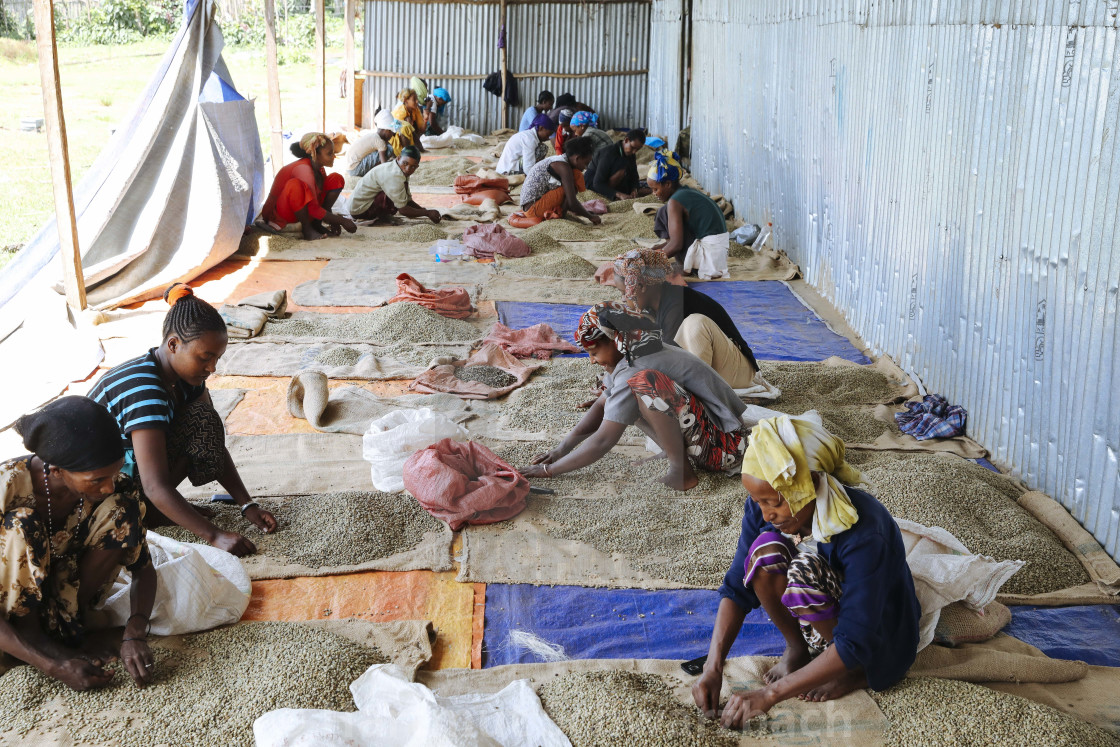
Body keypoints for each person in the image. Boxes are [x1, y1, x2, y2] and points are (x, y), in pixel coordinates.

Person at [692, 414, 921, 729]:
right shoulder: (765, 508)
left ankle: (852, 671)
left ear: (809, 485)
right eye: (757, 501)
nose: (765, 513)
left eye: (773, 502)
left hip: (874, 635)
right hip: (820, 611)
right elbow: (737, 587)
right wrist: (712, 667)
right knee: (764, 551)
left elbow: (857, 636)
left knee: (802, 570)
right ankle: (799, 648)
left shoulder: (865, 530)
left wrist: (770, 694)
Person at [89, 285, 278, 558]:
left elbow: (209, 435)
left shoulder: (185, 379)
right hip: (100, 493)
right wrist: (214, 536)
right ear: (174, 345)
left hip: (131, 471)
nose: (212, 368)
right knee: (155, 490)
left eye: (217, 358)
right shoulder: (145, 390)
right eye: (205, 357)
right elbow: (155, 485)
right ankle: (147, 510)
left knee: (205, 420)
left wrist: (247, 504)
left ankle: (155, 508)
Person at [2, 397, 157, 691]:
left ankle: (69, 629)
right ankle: (34, 642)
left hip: (65, 608)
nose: (108, 485)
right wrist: (53, 666)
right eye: (96, 479)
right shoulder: (6, 488)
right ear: (56, 470)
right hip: (10, 618)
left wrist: (135, 633)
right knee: (21, 525)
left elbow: (144, 569)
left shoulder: (113, 489)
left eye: (113, 472)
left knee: (122, 505)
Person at [519, 302, 748, 491]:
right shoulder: (635, 350)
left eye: (594, 352)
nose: (592, 360)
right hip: (709, 437)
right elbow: (601, 406)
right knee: (620, 394)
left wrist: (549, 471)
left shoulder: (634, 368)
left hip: (726, 448)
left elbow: (603, 440)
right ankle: (673, 453)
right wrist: (560, 450)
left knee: (644, 385)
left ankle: (682, 472)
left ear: (614, 341)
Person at [612, 248, 773, 392]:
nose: (623, 299)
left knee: (695, 323)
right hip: (716, 369)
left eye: (623, 292)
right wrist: (615, 388)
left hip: (740, 374)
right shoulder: (652, 307)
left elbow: (662, 357)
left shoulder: (677, 302)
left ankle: (692, 394)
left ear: (641, 286)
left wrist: (629, 386)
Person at [258, 132, 357, 241]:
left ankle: (316, 224)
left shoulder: (319, 168)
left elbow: (315, 201)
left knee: (336, 179)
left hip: (300, 210)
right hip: (278, 214)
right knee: (294, 185)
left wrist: (333, 219)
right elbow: (313, 208)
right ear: (315, 154)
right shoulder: (303, 169)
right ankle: (307, 229)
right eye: (329, 153)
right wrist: (341, 221)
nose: (334, 156)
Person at [647, 151, 729, 265]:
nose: (653, 194)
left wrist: (649, 262)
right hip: (719, 256)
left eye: (655, 189)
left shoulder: (674, 202)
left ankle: (684, 265)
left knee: (666, 213)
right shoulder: (686, 192)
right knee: (663, 212)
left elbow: (676, 245)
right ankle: (684, 261)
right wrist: (653, 251)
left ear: (668, 184)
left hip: (709, 257)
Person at [519, 136, 602, 223]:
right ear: (577, 158)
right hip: (533, 210)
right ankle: (561, 216)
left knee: (571, 183)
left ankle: (561, 214)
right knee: (575, 181)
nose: (585, 168)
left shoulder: (560, 160)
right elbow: (572, 203)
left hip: (531, 206)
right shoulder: (563, 167)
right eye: (586, 163)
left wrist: (583, 212)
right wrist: (591, 217)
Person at [350, 146, 441, 224]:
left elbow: (407, 200)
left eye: (413, 166)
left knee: (400, 195)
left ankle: (382, 215)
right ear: (398, 158)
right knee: (394, 198)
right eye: (405, 163)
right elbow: (403, 209)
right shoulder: (394, 175)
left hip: (360, 205)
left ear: (417, 167)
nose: (408, 169)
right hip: (360, 210)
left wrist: (426, 211)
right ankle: (382, 217)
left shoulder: (400, 170)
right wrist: (427, 213)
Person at [585, 128, 650, 200]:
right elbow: (597, 183)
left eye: (637, 149)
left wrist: (634, 189)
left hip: (609, 181)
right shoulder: (608, 154)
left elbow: (634, 175)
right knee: (621, 171)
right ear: (626, 140)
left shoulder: (631, 154)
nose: (634, 152)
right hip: (594, 183)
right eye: (632, 147)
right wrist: (619, 194)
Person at [349, 110, 397, 178]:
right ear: (387, 130)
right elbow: (384, 164)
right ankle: (375, 174)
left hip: (351, 167)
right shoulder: (380, 142)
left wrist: (395, 159)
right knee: (389, 150)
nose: (392, 136)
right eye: (392, 133)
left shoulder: (373, 136)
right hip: (355, 169)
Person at [391, 88, 426, 153]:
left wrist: (426, 119)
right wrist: (408, 125)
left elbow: (421, 130)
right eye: (414, 99)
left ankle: (413, 150)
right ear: (406, 100)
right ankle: (407, 152)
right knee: (405, 127)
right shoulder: (400, 112)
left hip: (410, 141)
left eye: (417, 99)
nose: (417, 101)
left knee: (412, 126)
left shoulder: (415, 110)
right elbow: (396, 132)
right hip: (396, 144)